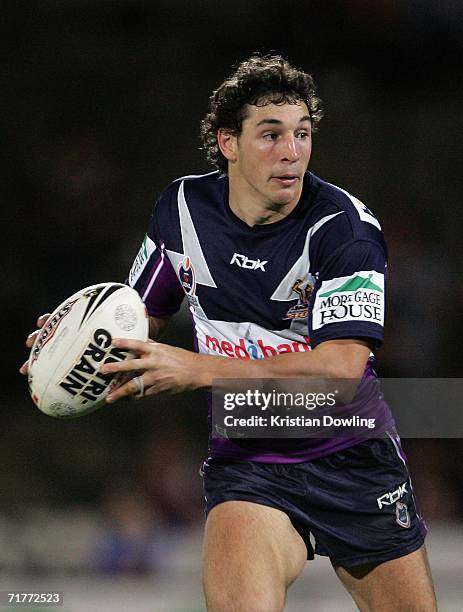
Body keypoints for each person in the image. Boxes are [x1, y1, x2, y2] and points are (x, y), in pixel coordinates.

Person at [22, 55, 437, 611]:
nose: (291, 152)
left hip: (354, 458)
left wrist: (198, 368)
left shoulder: (344, 230)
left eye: (303, 134)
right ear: (228, 142)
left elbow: (340, 369)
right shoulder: (181, 208)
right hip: (250, 459)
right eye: (270, 135)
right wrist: (76, 343)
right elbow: (139, 316)